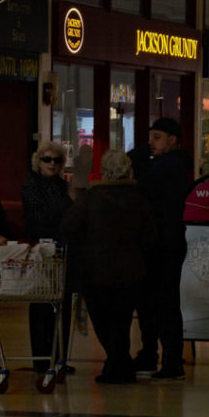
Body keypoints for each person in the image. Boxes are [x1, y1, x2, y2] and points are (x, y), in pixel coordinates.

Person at [60, 149, 157, 384]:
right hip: (131, 271)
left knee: (103, 321)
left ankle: (118, 364)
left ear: (103, 170)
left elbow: (67, 226)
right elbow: (151, 236)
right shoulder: (139, 199)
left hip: (95, 271)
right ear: (128, 170)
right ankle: (119, 364)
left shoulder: (90, 198)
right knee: (121, 322)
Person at [136, 118, 193, 380]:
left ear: (172, 139)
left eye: (157, 137)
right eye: (151, 137)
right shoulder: (162, 164)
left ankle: (171, 359)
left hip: (166, 244)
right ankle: (150, 354)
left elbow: (146, 181)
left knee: (165, 302)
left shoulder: (173, 165)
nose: (151, 142)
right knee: (149, 301)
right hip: (155, 242)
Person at [21, 140, 75, 373]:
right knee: (42, 304)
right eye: (47, 159)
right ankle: (42, 360)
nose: (52, 164)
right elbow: (41, 217)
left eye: (57, 160)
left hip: (62, 250)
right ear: (38, 161)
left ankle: (59, 358)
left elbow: (70, 218)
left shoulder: (63, 186)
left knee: (62, 305)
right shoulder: (31, 186)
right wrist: (65, 207)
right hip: (41, 250)